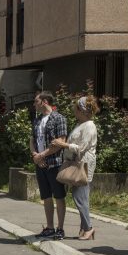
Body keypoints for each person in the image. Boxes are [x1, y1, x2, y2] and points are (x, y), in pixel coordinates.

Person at [51, 95, 99, 240]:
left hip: (83, 165)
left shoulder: (89, 126)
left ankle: (88, 228)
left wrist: (62, 145)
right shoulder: (81, 124)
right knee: (80, 196)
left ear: (82, 110)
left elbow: (81, 148)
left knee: (80, 197)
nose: (73, 110)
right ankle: (84, 228)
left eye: (75, 108)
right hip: (77, 163)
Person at [30, 91, 68, 240]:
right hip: (40, 163)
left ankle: (60, 229)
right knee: (46, 196)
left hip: (54, 163)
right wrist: (35, 155)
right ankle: (50, 227)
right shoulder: (37, 120)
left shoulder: (59, 118)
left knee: (59, 196)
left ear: (44, 101)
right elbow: (32, 140)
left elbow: (61, 142)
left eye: (36, 101)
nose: (34, 104)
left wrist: (42, 155)